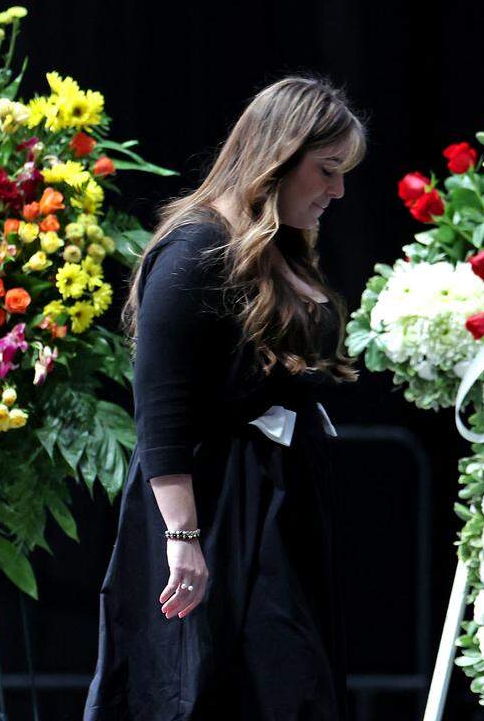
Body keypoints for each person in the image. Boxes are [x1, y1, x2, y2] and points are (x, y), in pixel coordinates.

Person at [83, 76, 368, 720]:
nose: (338, 190)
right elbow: (161, 408)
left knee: (287, 687)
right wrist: (183, 536)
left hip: (275, 502)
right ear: (278, 157)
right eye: (326, 170)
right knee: (218, 686)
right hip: (217, 507)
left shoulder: (278, 251)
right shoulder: (196, 249)